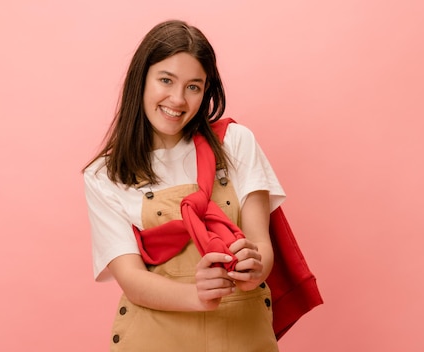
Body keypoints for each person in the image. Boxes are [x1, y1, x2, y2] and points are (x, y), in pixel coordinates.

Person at [83, 20, 286, 351]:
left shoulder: (235, 142)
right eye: (166, 80)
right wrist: (198, 295)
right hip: (153, 338)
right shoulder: (105, 174)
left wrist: (254, 267)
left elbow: (261, 245)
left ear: (207, 90)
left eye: (194, 86)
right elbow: (132, 280)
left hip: (243, 336)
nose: (177, 100)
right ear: (141, 78)